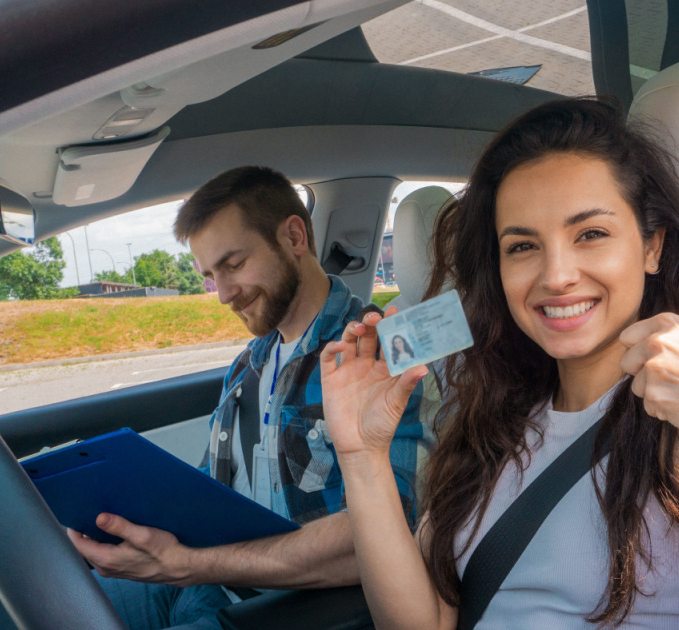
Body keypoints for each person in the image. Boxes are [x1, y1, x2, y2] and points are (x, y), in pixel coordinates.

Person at [319, 98, 679, 629]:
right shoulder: (489, 423)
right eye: (522, 246)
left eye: (590, 234)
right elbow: (425, 623)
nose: (556, 275)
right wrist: (361, 455)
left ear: (652, 246)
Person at [67, 166, 435, 630]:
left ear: (295, 237)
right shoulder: (248, 365)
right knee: (57, 603)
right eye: (210, 275)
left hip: (290, 607)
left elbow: (379, 539)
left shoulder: (379, 350)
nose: (222, 294)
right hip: (208, 582)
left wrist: (193, 564)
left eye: (234, 265)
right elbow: (208, 487)